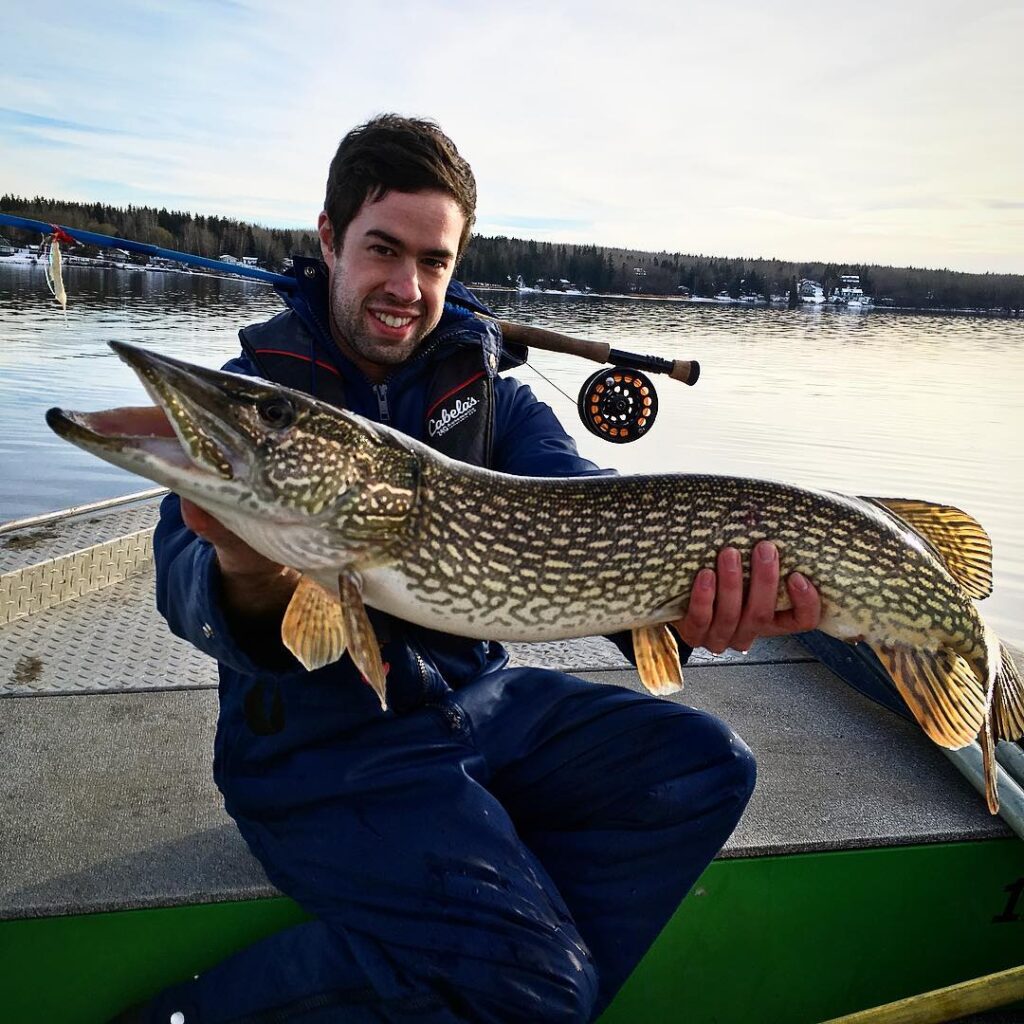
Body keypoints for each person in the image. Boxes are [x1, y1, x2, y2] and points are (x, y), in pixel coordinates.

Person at [124, 115, 822, 1023]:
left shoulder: (495, 400)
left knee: (705, 765)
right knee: (538, 983)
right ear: (330, 240)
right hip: (323, 758)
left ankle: (508, 986)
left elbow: (591, 516)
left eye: (434, 261)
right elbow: (186, 586)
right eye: (383, 249)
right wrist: (247, 568)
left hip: (476, 709)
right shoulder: (266, 401)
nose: (407, 288)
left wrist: (691, 607)